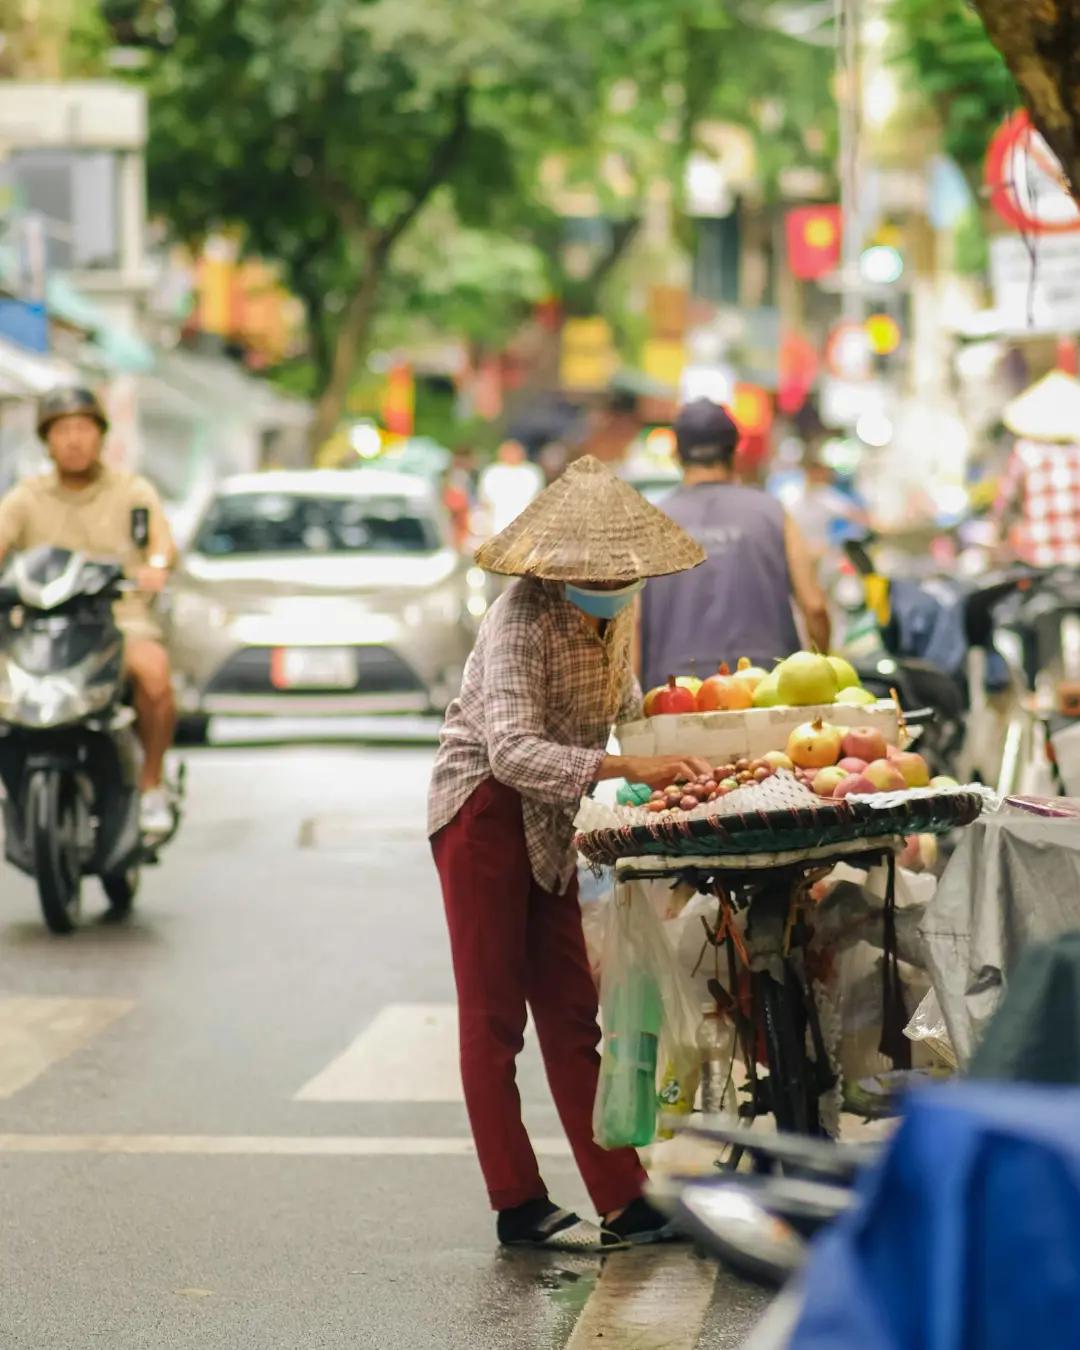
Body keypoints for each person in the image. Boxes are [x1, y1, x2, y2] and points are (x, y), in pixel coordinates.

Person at [428, 455, 710, 1251]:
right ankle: (516, 1200)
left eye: (621, 574)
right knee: (493, 1019)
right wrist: (626, 769)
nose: (612, 584)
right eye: (597, 574)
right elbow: (512, 749)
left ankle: (624, 1199)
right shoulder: (519, 619)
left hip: (552, 820)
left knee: (571, 1012)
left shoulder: (618, 613)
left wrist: (682, 753)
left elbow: (627, 708)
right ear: (560, 567)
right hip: (482, 811)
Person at [0, 388, 177, 833]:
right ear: (47, 440)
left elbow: (162, 545)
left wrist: (156, 567)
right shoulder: (26, 496)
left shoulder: (132, 490)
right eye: (62, 430)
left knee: (154, 675)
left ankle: (152, 786)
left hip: (116, 621)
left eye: (83, 428)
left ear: (100, 435)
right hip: (41, 629)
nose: (74, 440)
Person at [637, 399, 831, 692]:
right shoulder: (772, 513)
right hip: (764, 690)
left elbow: (632, 624)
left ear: (677, 453)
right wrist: (821, 669)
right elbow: (814, 606)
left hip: (674, 694)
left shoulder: (650, 522)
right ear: (735, 450)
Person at [477, 439, 544, 538]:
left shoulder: (532, 472)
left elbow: (538, 500)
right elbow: (484, 501)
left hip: (525, 529)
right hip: (496, 529)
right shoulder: (492, 472)